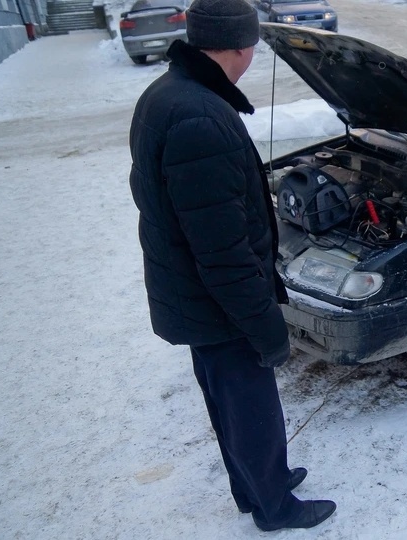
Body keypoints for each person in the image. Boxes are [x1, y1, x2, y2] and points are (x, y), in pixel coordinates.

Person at [128, 0, 335, 530]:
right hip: (219, 305)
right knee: (250, 412)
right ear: (241, 46)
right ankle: (274, 509)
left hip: (197, 296)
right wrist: (266, 327)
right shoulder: (199, 117)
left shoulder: (170, 95)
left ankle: (259, 484)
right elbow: (222, 253)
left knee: (233, 408)